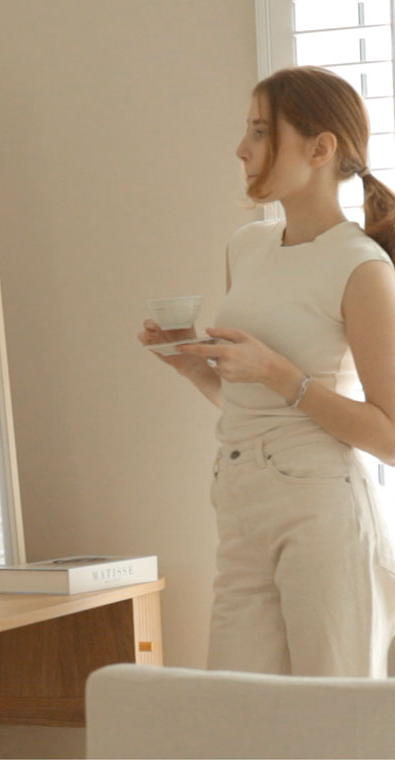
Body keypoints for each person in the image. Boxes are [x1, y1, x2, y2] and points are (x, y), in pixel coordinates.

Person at [139, 65, 395, 677]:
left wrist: (279, 372)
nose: (241, 148)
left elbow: (389, 436)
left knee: (333, 723)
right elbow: (253, 406)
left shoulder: (362, 268)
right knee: (237, 719)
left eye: (260, 130)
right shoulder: (246, 247)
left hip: (321, 509)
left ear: (321, 148)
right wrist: (193, 366)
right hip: (239, 497)